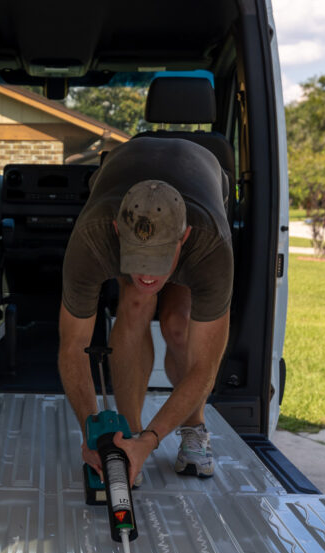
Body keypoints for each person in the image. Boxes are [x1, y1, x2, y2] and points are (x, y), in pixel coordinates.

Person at [58, 135, 233, 486]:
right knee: (136, 301)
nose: (148, 274)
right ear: (116, 231)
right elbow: (72, 347)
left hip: (200, 171)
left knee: (177, 326)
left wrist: (151, 443)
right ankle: (128, 431)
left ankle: (194, 427)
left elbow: (205, 367)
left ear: (182, 239)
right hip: (122, 167)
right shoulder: (93, 238)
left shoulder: (208, 245)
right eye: (138, 260)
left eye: (158, 262)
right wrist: (97, 435)